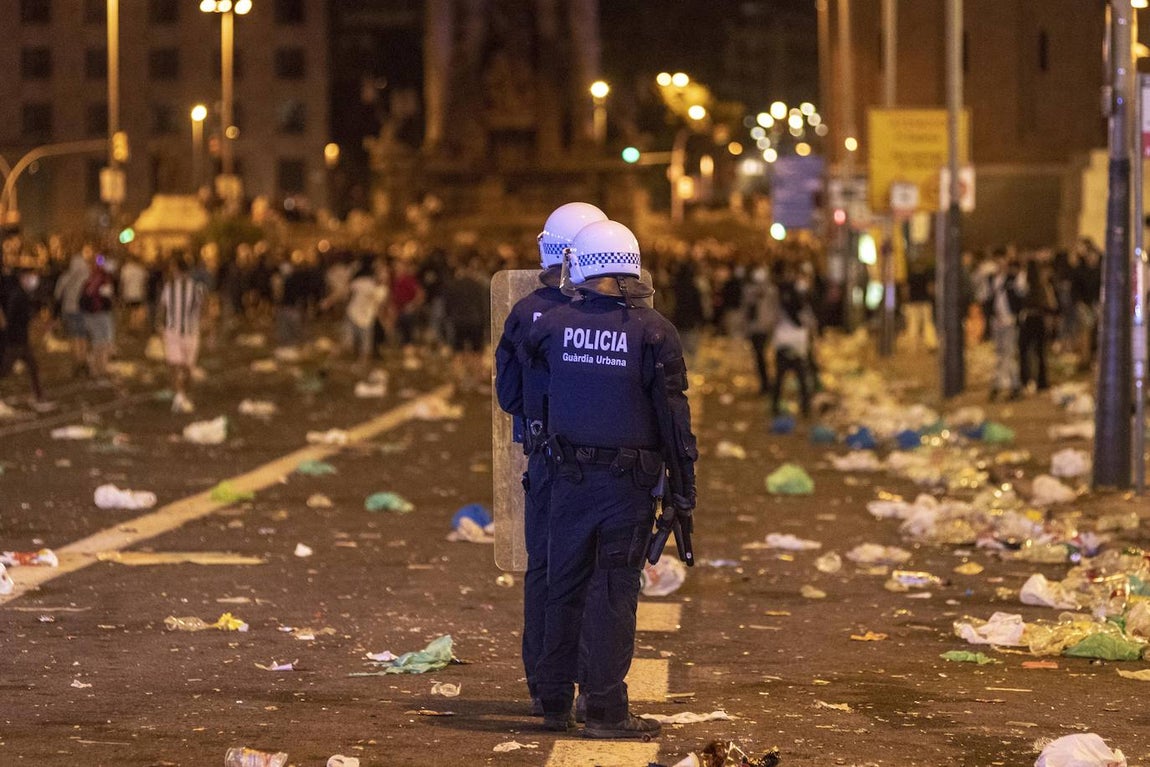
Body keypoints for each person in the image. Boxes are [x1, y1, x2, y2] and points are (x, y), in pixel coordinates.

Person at [522, 220, 697, 739]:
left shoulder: (551, 325)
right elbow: (673, 420)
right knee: (614, 593)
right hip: (626, 486)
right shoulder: (655, 331)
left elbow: (529, 400)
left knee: (563, 586)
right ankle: (604, 710)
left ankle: (554, 700)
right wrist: (684, 489)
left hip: (566, 478)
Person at [494, 201, 608, 723]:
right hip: (605, 469)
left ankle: (545, 686)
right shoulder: (618, 319)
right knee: (598, 578)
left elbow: (509, 395)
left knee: (543, 572)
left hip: (545, 460)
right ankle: (592, 686)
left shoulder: (526, 313)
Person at [156, 257, 207, 414]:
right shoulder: (197, 288)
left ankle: (182, 394)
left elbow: (162, 308)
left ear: (177, 270)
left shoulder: (171, 287)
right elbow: (203, 309)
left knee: (180, 366)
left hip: (176, 331)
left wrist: (159, 325)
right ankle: (180, 395)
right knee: (181, 365)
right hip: (188, 332)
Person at [0, 266, 50, 408]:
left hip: (19, 339)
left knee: (32, 368)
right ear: (22, 278)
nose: (34, 280)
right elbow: (16, 319)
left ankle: (39, 396)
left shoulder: (22, 294)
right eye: (30, 277)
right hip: (16, 341)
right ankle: (39, 397)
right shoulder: (19, 296)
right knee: (5, 370)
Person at [771, 267, 813, 418]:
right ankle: (805, 407)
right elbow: (808, 321)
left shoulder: (780, 302)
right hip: (797, 345)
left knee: (780, 377)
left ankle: (776, 406)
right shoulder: (800, 304)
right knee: (801, 377)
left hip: (783, 343)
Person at [54, 246, 91, 378]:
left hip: (69, 310)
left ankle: (77, 362)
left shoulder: (65, 277)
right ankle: (84, 360)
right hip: (84, 310)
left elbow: (57, 295)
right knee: (83, 336)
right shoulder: (88, 277)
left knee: (73, 336)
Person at [78, 251, 116, 379]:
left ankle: (96, 368)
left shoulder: (90, 277)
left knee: (96, 341)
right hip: (101, 314)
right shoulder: (103, 278)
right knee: (104, 342)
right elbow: (106, 297)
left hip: (89, 313)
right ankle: (100, 368)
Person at [742, 264, 778, 395]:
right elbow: (746, 310)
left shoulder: (771, 291)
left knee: (764, 355)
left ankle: (769, 382)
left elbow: (774, 309)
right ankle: (764, 383)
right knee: (758, 356)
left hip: (765, 327)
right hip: (755, 328)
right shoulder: (749, 291)